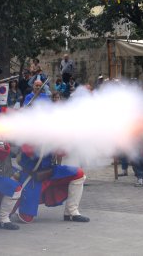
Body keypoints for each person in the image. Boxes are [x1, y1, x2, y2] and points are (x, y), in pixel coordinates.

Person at [14, 92, 89, 223]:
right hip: (32, 176)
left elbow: (61, 153)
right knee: (25, 218)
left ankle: (71, 212)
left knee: (79, 174)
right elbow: (29, 152)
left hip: (49, 171)